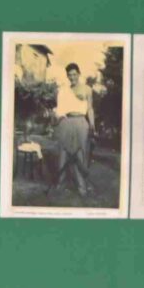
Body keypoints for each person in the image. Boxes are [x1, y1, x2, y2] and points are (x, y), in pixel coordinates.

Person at [53, 61, 96, 197]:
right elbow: (59, 109)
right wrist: (59, 119)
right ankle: (60, 184)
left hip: (81, 122)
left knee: (81, 153)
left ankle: (82, 186)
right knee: (63, 152)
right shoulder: (63, 91)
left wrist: (92, 124)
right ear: (67, 76)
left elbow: (90, 108)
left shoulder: (87, 89)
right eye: (70, 75)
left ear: (79, 74)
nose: (72, 77)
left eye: (74, 74)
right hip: (66, 122)